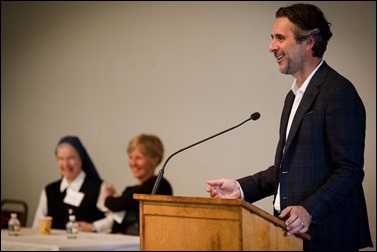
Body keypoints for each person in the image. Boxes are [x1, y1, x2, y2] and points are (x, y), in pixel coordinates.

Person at [206, 3, 373, 251]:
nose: (271, 47)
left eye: (280, 38)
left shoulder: (338, 92)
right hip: (290, 237)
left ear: (308, 41)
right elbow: (286, 169)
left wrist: (309, 211)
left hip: (327, 236)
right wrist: (240, 188)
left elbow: (349, 170)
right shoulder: (294, 96)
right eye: (272, 38)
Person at [32, 135, 113, 233]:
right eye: (60, 159)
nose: (66, 164)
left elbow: (114, 220)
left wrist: (93, 226)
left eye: (70, 158)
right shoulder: (49, 190)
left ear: (81, 158)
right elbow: (37, 225)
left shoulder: (100, 187)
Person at [100, 133, 173, 235]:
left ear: (154, 159)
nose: (133, 163)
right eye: (130, 157)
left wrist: (107, 197)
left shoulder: (159, 185)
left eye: (138, 158)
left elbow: (114, 204)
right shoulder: (130, 190)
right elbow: (117, 222)